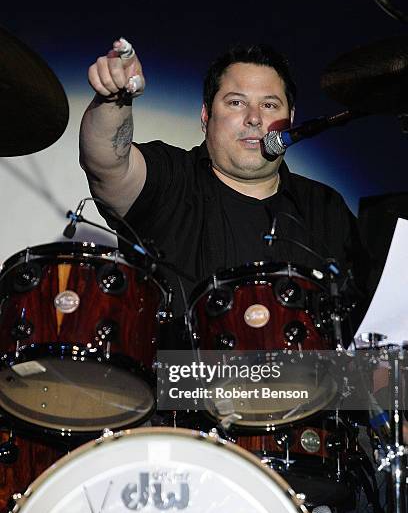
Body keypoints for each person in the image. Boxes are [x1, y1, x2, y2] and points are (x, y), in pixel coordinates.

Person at [80, 39, 369, 332]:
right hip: (179, 375)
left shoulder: (325, 206)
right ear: (206, 116)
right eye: (236, 102)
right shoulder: (170, 178)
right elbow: (106, 162)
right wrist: (113, 97)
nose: (254, 118)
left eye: (269, 105)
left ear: (291, 119)